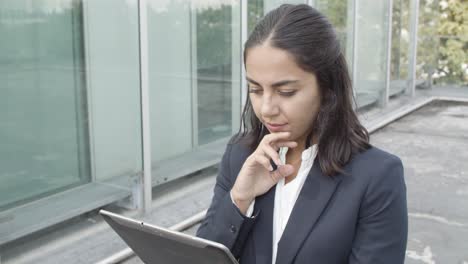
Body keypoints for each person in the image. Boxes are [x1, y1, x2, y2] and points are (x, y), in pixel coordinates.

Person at [196, 4, 407, 264]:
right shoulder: (240, 155)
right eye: (256, 89)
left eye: (285, 92)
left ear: (327, 86)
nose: (266, 109)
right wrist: (239, 198)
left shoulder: (376, 177)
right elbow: (198, 257)